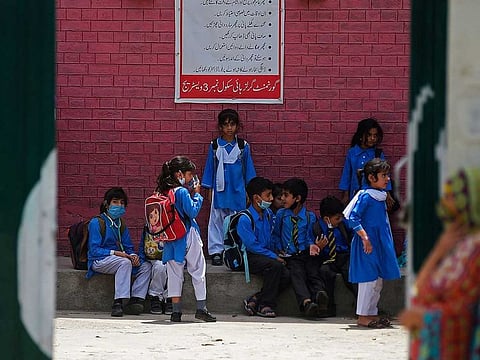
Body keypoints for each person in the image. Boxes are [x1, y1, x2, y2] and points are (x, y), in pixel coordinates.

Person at [399, 168, 480, 359]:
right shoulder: (460, 246)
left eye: (453, 196)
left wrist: (426, 319)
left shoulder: (476, 250)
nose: (446, 203)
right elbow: (419, 289)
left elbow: (468, 307)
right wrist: (439, 250)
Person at [156, 156, 216, 322]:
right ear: (179, 174)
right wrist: (197, 194)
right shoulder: (181, 192)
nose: (191, 179)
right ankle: (201, 308)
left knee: (174, 274)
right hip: (187, 234)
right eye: (189, 175)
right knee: (198, 270)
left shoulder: (162, 191)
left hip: (170, 238)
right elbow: (192, 212)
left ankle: (176, 312)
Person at [343, 158, 400, 328]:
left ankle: (371, 313)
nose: (387, 178)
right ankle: (362, 316)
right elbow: (352, 218)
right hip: (367, 244)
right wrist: (365, 237)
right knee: (368, 280)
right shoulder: (365, 196)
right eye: (384, 175)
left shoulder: (380, 196)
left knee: (377, 280)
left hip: (378, 243)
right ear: (371, 177)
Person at [86, 187, 152, 317]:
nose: (119, 205)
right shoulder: (96, 222)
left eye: (122, 203)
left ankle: (136, 300)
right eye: (115, 202)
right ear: (107, 204)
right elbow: (94, 250)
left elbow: (128, 247)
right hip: (99, 260)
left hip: (119, 259)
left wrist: (133, 256)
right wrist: (116, 253)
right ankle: (118, 302)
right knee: (124, 263)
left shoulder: (121, 224)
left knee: (146, 266)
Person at [202, 109, 257, 266]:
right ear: (220, 127)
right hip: (219, 191)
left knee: (237, 219)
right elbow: (210, 168)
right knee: (216, 220)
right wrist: (209, 189)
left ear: (237, 126)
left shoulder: (242, 146)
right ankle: (216, 251)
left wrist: (249, 191)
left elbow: (249, 170)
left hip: (238, 190)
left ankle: (234, 249)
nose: (229, 128)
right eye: (225, 124)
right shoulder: (214, 146)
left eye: (232, 124)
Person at [272, 178, 324, 318]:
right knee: (297, 272)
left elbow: (308, 237)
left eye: (286, 195)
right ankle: (306, 303)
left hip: (305, 253)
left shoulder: (309, 217)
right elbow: (276, 235)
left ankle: (320, 295)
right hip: (290, 255)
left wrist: (313, 246)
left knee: (313, 269)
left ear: (298, 198)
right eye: (282, 195)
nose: (282, 198)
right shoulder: (281, 215)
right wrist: (278, 248)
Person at [239, 177, 290, 318]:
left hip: (266, 254)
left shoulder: (268, 214)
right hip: (250, 257)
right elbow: (252, 246)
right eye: (268, 195)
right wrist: (274, 256)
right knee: (275, 267)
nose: (271, 198)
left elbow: (272, 235)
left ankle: (256, 298)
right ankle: (266, 305)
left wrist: (278, 250)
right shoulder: (245, 218)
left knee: (287, 275)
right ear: (256, 198)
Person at [339, 118, 395, 210]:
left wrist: (388, 194)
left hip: (375, 196)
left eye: (375, 135)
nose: (372, 138)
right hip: (356, 195)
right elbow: (346, 174)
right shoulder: (352, 153)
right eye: (369, 135)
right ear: (361, 136)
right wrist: (345, 195)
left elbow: (385, 174)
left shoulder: (377, 154)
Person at [315, 195, 357, 317]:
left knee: (351, 274)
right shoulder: (317, 228)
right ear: (327, 219)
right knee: (324, 272)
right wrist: (318, 247)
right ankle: (328, 307)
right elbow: (312, 245)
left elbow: (354, 233)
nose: (340, 220)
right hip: (328, 258)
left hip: (344, 256)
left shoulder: (343, 225)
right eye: (337, 218)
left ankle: (360, 305)